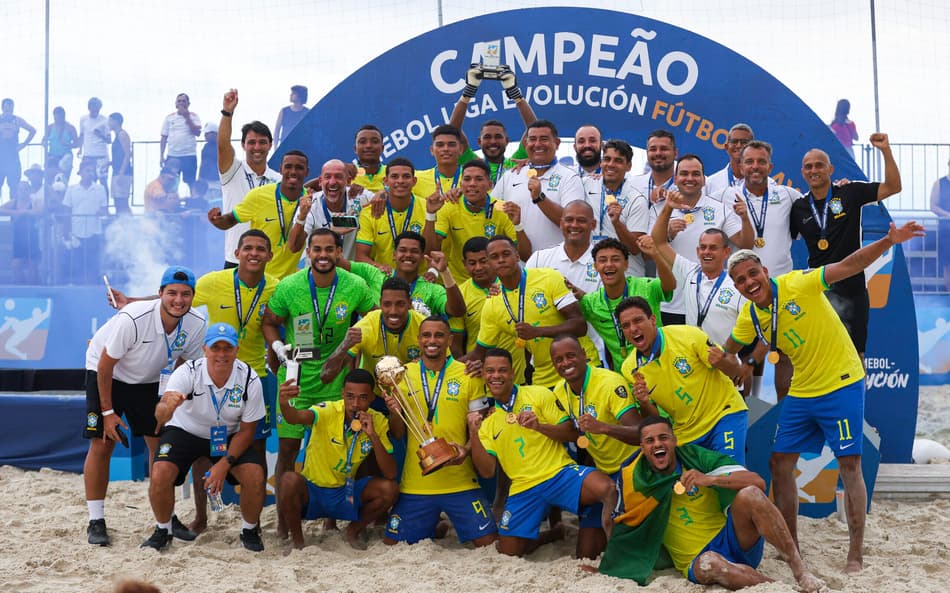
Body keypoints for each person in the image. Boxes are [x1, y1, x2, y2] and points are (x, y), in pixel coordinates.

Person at [723, 220, 924, 573]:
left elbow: (850, 265)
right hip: (803, 390)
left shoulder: (797, 283)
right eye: (740, 280)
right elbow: (729, 349)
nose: (749, 283)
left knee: (850, 466)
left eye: (752, 273)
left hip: (842, 382)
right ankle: (793, 546)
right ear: (736, 286)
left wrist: (889, 242)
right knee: (779, 463)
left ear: (764, 270)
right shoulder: (750, 313)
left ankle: (855, 555)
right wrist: (714, 359)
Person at [108, 229, 278, 533]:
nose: (254, 253)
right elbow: (178, 294)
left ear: (269, 255)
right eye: (248, 248)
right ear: (236, 254)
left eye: (260, 249)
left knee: (255, 448)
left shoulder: (276, 288)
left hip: (256, 374)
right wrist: (132, 300)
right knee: (202, 450)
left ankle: (254, 521)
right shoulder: (215, 282)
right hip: (213, 369)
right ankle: (201, 517)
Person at [598, 416, 825, 593]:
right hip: (696, 560)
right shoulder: (635, 480)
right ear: (642, 448)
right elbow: (620, 524)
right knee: (711, 563)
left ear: (674, 440)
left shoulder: (694, 457)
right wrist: (611, 564)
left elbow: (757, 482)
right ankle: (778, 587)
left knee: (750, 495)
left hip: (732, 539)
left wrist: (710, 479)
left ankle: (801, 573)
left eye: (663, 437)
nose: (657, 444)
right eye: (650, 440)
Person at [261, 228, 376, 537]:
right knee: (288, 449)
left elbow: (372, 318)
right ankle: (285, 524)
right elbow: (269, 322)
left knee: (342, 447)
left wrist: (345, 352)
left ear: (339, 253)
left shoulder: (354, 285)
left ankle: (333, 517)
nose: (323, 255)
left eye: (330, 250)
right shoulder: (290, 286)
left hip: (336, 376)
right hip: (296, 375)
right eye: (317, 250)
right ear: (308, 253)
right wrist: (278, 350)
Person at [82, 266, 206, 546]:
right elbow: (105, 364)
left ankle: (166, 516)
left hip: (150, 381)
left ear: (193, 297)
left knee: (161, 446)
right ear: (160, 294)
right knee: (102, 443)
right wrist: (108, 412)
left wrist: (171, 396)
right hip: (108, 374)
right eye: (172, 293)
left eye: (186, 294)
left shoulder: (196, 323)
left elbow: (186, 364)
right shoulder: (133, 318)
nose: (178, 300)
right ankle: (96, 520)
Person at [469, 348, 618, 558]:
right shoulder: (488, 422)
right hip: (523, 488)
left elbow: (572, 434)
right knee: (508, 554)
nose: (496, 376)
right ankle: (552, 534)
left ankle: (616, 554)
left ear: (512, 372)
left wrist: (539, 426)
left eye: (502, 370)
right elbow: (486, 472)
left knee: (609, 488)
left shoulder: (538, 393)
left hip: (560, 474)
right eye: (490, 371)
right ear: (483, 374)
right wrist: (474, 434)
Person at [142, 322, 267, 552]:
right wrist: (167, 407)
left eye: (227, 347)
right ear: (204, 349)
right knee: (159, 472)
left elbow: (248, 431)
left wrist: (223, 464)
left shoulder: (249, 378)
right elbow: (162, 411)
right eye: (215, 347)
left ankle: (249, 531)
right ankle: (163, 530)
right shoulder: (188, 371)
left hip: (227, 434)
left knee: (255, 475)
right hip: (186, 431)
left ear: (236, 350)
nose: (221, 353)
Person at [382, 316, 496, 547]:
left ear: (450, 340)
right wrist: (394, 412)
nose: (432, 341)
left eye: (439, 335)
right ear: (419, 340)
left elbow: (480, 427)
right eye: (426, 335)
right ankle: (435, 525)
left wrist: (464, 451)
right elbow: (397, 433)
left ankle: (437, 523)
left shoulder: (468, 375)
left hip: (460, 481)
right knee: (391, 544)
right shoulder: (402, 375)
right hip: (416, 483)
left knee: (488, 542)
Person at [789, 133, 902, 356]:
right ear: (803, 173)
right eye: (808, 167)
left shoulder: (851, 192)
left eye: (819, 165)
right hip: (819, 292)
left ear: (830, 169)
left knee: (856, 354)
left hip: (852, 290)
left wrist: (886, 151)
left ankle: (859, 392)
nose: (814, 170)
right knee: (820, 355)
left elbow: (893, 187)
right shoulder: (798, 208)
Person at [616, 296, 748, 463]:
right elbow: (654, 418)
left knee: (730, 477)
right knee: (694, 487)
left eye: (638, 320)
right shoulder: (629, 369)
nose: (633, 329)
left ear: (652, 320)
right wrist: (644, 402)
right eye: (625, 326)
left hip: (723, 415)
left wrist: (722, 362)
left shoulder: (687, 335)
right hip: (685, 433)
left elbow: (736, 375)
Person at [277, 368, 398, 550]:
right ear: (342, 394)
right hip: (313, 491)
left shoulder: (377, 420)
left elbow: (390, 473)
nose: (355, 404)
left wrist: (373, 435)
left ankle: (353, 530)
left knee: (389, 489)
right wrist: (284, 403)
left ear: (372, 398)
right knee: (288, 480)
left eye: (362, 397)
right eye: (350, 396)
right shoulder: (328, 410)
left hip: (345, 493)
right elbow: (295, 417)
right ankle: (298, 542)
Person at [471, 236, 597, 388]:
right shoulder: (492, 304)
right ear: (489, 263)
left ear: (517, 256)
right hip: (544, 378)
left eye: (506, 254)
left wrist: (538, 331)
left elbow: (579, 325)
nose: (501, 260)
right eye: (494, 257)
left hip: (582, 365)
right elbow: (479, 352)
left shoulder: (548, 277)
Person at [649, 155, 752, 325]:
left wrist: (745, 219)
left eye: (695, 174)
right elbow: (653, 246)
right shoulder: (659, 209)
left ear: (704, 180)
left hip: (709, 302)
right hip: (670, 303)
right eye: (684, 174)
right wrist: (667, 223)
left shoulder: (720, 210)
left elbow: (746, 245)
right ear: (675, 179)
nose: (690, 178)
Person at [424, 159, 530, 283]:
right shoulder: (449, 207)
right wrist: (430, 214)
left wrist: (518, 225)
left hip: (497, 284)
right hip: (460, 284)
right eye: (467, 179)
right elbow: (430, 251)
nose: (472, 184)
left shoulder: (503, 209)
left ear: (490, 185)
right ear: (461, 183)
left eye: (479, 179)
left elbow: (525, 255)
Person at [208, 150, 310, 279]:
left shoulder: (311, 201)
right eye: (288, 167)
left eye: (299, 168)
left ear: (307, 172)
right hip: (259, 280)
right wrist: (216, 220)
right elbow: (229, 220)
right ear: (280, 169)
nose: (293, 172)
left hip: (289, 282)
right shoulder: (258, 196)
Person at [526, 200, 605, 364]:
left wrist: (583, 298)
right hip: (544, 360)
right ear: (561, 223)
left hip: (590, 355)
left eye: (581, 220)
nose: (574, 225)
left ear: (593, 224)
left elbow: (609, 310)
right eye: (569, 220)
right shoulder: (540, 258)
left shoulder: (604, 262)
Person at [577, 238, 673, 371]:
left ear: (626, 264)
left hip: (662, 368)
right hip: (626, 378)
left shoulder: (646, 287)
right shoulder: (591, 303)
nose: (609, 264)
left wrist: (656, 255)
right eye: (603, 260)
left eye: (615, 259)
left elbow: (670, 285)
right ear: (595, 266)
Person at [491, 120, 585, 250]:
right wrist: (460, 193)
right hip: (519, 266)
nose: (537, 144)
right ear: (525, 144)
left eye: (544, 139)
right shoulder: (511, 176)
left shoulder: (569, 177)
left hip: (555, 265)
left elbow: (573, 224)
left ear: (557, 143)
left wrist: (540, 198)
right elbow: (490, 208)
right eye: (532, 139)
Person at [215, 90, 281, 269]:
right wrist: (227, 112)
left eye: (262, 142)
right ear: (243, 145)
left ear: (270, 144)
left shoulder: (279, 181)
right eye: (251, 142)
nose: (257, 147)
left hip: (269, 262)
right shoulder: (232, 171)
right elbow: (222, 146)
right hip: (236, 259)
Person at [322, 276, 426, 384]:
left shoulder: (424, 326)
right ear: (380, 303)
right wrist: (344, 346)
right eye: (387, 304)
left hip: (412, 393)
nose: (393, 311)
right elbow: (326, 377)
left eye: (400, 304)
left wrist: (425, 363)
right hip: (375, 393)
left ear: (409, 303)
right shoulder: (365, 327)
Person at [448, 64, 534, 186]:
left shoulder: (517, 162)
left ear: (507, 140)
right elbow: (452, 132)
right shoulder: (472, 163)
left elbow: (535, 129)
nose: (493, 141)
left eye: (498, 137)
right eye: (487, 137)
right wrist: (469, 90)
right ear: (479, 141)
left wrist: (515, 94)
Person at [347, 232, 464, 318]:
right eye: (403, 250)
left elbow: (458, 311)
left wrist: (445, 272)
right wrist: (335, 233)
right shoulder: (376, 274)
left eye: (414, 251)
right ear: (394, 254)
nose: (408, 255)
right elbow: (337, 263)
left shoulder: (432, 288)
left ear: (423, 257)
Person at [581, 139, 650, 276]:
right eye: (607, 159)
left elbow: (635, 248)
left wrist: (617, 223)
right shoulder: (585, 185)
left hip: (627, 274)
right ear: (601, 162)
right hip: (591, 272)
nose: (611, 165)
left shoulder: (636, 199)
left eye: (618, 161)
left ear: (628, 166)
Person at [354, 157, 427, 275]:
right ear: (385, 181)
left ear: (414, 181)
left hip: (418, 280)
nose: (400, 181)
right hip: (384, 279)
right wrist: (379, 267)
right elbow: (361, 256)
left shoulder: (427, 208)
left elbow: (432, 251)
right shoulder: (370, 212)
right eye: (394, 176)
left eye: (406, 176)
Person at [290, 158, 373, 259]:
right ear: (320, 181)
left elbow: (388, 200)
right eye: (327, 177)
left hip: (351, 272)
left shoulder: (359, 196)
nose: (332, 182)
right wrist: (302, 217)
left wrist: (382, 194)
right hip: (319, 270)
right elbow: (294, 247)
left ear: (348, 180)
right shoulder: (310, 205)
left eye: (338, 177)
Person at [448, 237, 497, 357]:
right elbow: (456, 345)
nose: (478, 267)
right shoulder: (459, 295)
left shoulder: (509, 284)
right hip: (477, 366)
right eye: (472, 263)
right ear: (464, 264)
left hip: (516, 367)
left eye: (483, 261)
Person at [62, 161, 108, 284]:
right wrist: (66, 231)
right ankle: (79, 287)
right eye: (87, 170)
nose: (90, 173)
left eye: (91, 171)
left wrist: (101, 212)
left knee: (92, 263)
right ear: (80, 172)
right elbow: (66, 210)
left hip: (94, 231)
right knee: (77, 263)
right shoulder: (72, 189)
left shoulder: (100, 189)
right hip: (76, 232)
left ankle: (90, 287)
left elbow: (105, 208)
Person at [0, 180, 41, 284]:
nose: (23, 191)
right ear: (17, 191)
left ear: (29, 190)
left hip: (32, 238)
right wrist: (14, 212)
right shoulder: (14, 202)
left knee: (33, 267)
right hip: (18, 239)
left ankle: (34, 291)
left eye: (25, 189)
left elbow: (38, 211)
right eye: (21, 189)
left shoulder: (34, 201)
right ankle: (21, 287)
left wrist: (25, 212)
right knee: (15, 265)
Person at [160, 93, 202, 193]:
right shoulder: (169, 118)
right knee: (171, 183)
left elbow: (197, 133)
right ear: (175, 104)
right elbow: (164, 137)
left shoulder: (194, 116)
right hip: (173, 156)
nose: (181, 103)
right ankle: (171, 205)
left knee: (191, 182)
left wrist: (187, 117)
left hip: (189, 155)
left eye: (184, 101)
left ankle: (193, 203)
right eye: (179, 101)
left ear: (188, 104)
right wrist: (161, 155)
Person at [628, 129, 677, 208]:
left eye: (664, 149)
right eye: (653, 149)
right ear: (647, 153)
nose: (658, 153)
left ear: (675, 153)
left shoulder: (688, 186)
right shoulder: (633, 185)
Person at [705, 124, 755, 197]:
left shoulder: (766, 184)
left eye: (744, 142)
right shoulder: (711, 183)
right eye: (734, 141)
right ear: (726, 147)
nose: (739, 145)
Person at [0, 98, 36, 198]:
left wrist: (23, 144)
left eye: (10, 108)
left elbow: (32, 130)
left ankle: (14, 212)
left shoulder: (17, 120)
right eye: (6, 108)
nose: (8, 111)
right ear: (2, 108)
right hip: (1, 158)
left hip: (13, 158)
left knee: (14, 188)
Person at [42, 106, 78, 186]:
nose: (58, 120)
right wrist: (44, 144)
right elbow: (43, 139)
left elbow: (77, 144)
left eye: (60, 118)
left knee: (62, 181)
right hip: (52, 156)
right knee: (49, 181)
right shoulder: (50, 127)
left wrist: (68, 145)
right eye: (56, 118)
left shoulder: (70, 128)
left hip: (65, 157)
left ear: (64, 116)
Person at [77, 97, 110, 185]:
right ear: (89, 108)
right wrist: (80, 149)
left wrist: (100, 135)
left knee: (103, 182)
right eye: (93, 109)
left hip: (101, 156)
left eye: (97, 109)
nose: (95, 111)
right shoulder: (83, 119)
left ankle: (104, 199)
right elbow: (81, 135)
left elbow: (109, 140)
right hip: (88, 155)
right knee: (88, 181)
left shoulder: (105, 120)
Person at [930, 158, 950, 291]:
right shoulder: (939, 183)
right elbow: (933, 206)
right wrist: (948, 215)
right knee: (947, 264)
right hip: (946, 228)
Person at [108, 112, 132, 215]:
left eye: (110, 120)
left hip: (123, 172)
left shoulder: (122, 134)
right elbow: (119, 155)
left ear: (116, 121)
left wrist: (121, 172)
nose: (108, 123)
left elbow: (127, 154)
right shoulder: (116, 135)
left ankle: (128, 224)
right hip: (116, 170)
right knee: (117, 200)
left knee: (122, 202)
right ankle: (120, 223)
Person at [351, 125, 386, 194]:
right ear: (355, 149)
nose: (368, 145)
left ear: (382, 148)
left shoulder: (397, 175)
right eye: (363, 142)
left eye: (375, 141)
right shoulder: (344, 177)